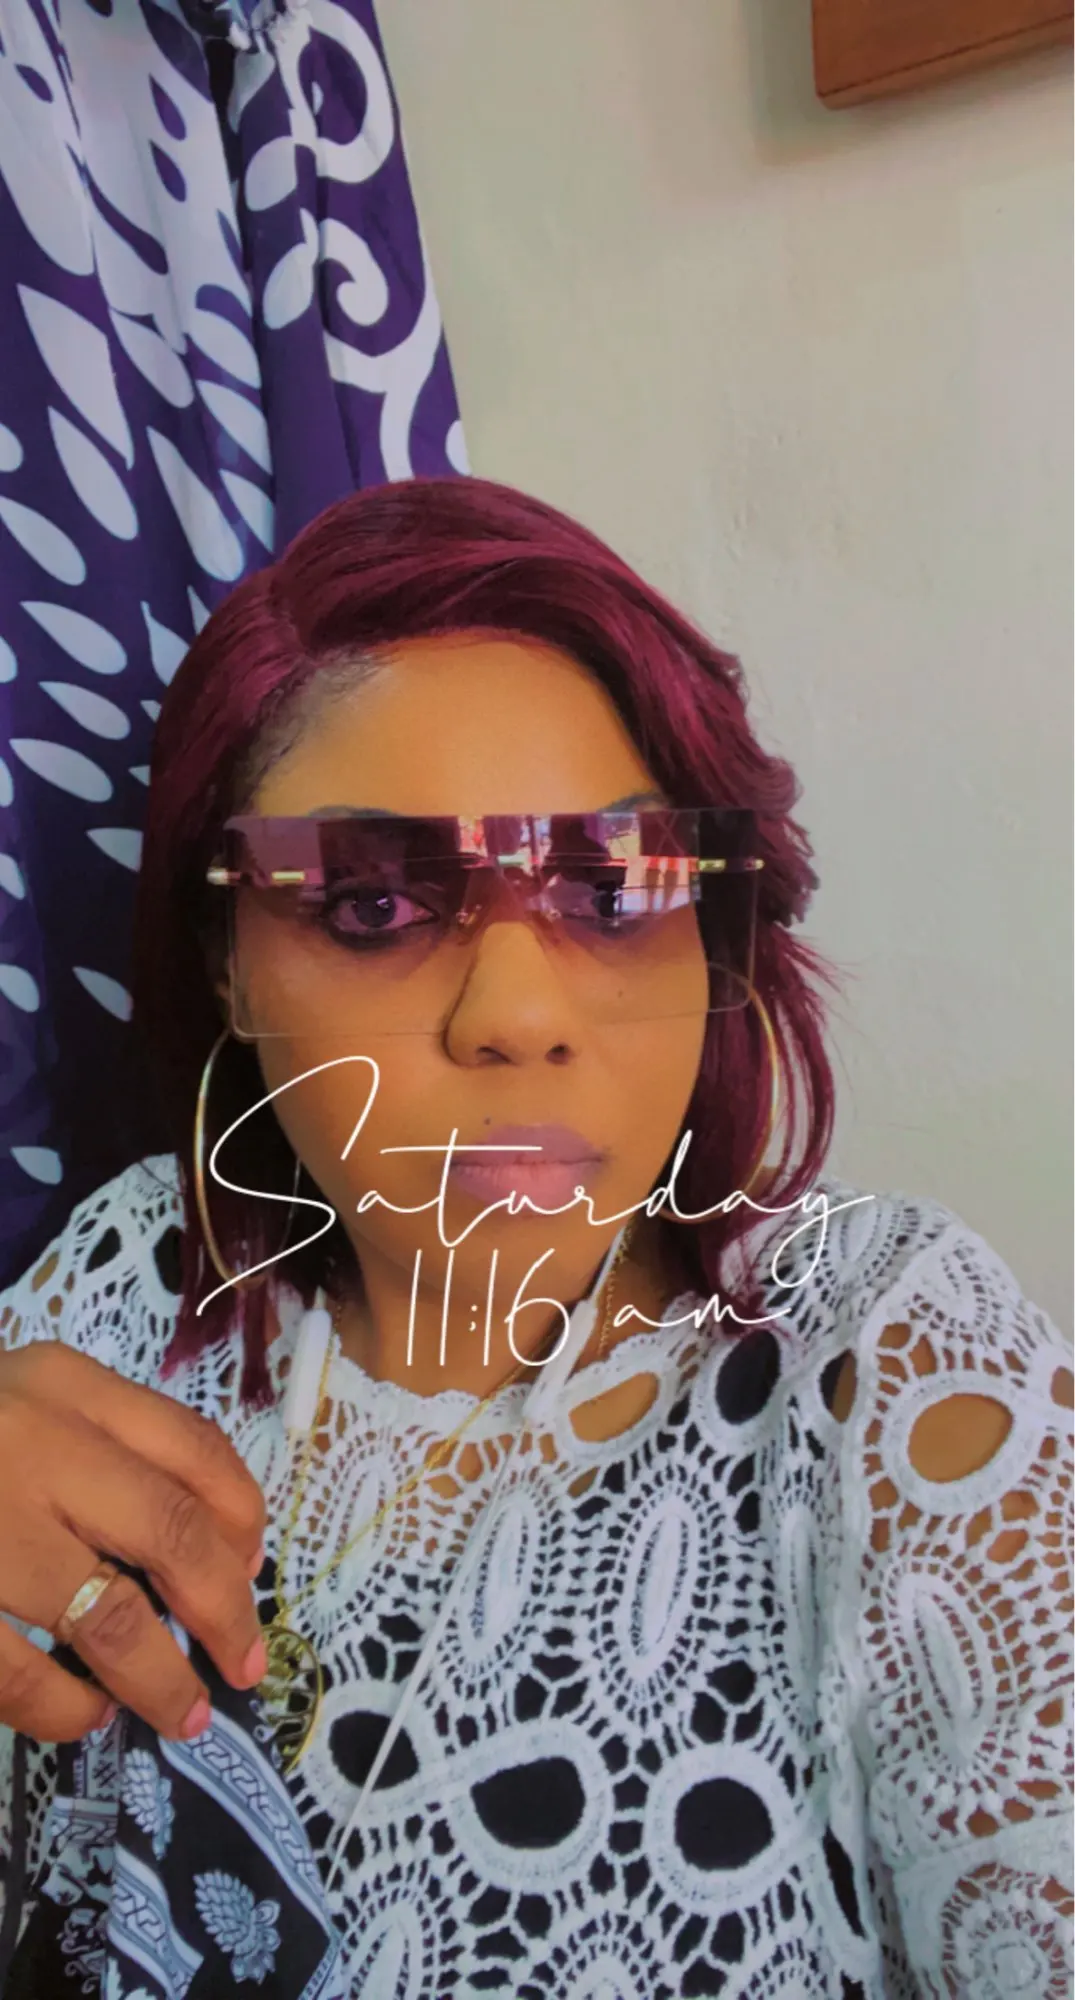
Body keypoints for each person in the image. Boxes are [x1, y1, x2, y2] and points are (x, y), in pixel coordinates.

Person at [0, 477, 1069, 2000]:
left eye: (614, 890)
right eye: (372, 907)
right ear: (224, 961)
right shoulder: (123, 1284)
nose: (514, 1014)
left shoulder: (883, 1363)